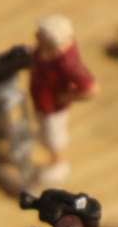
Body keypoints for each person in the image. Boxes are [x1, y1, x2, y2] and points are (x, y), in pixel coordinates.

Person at [29, 15, 98, 184]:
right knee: (47, 133)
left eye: (40, 35)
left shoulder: (67, 64)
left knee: (54, 137)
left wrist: (67, 96)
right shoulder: (45, 50)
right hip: (42, 102)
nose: (36, 36)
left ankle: (57, 163)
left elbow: (91, 89)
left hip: (53, 108)